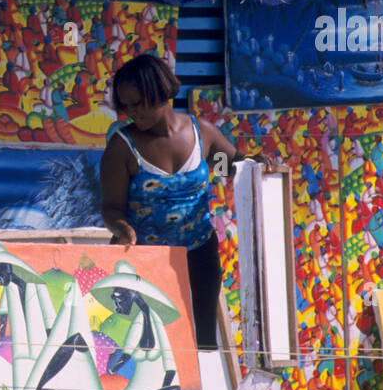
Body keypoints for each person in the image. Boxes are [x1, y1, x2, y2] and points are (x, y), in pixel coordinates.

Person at [100, 54, 276, 350]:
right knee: (150, 345)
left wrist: (252, 162)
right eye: (125, 106)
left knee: (202, 340)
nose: (132, 113)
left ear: (160, 93)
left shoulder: (201, 134)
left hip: (199, 254)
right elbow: (111, 207)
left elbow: (227, 167)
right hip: (146, 261)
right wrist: (119, 226)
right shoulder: (122, 148)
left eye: (138, 103)